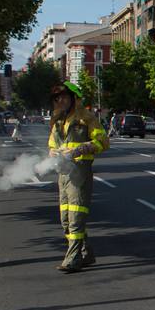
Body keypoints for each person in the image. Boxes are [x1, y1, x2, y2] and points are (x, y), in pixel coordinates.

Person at [47, 82, 109, 272]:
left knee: (76, 217)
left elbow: (103, 142)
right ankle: (85, 252)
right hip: (63, 174)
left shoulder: (86, 118)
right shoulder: (57, 121)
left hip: (80, 172)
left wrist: (80, 149)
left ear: (74, 98)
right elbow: (51, 146)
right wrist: (54, 154)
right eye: (57, 98)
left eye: (64, 97)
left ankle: (73, 258)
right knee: (65, 219)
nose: (61, 101)